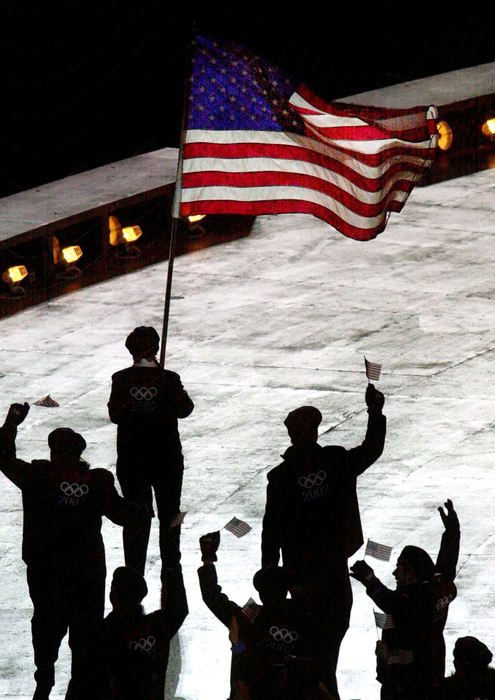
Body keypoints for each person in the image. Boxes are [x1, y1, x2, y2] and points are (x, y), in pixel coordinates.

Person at [0, 402, 149, 700]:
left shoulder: (38, 477)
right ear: (80, 453)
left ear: (54, 452)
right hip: (87, 573)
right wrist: (143, 507)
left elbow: (3, 458)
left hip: (47, 573)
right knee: (86, 634)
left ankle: (44, 676)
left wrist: (12, 423)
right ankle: (81, 684)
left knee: (45, 625)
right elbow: (122, 514)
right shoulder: (98, 482)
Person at [260, 383, 386, 697]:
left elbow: (270, 534)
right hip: (326, 575)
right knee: (322, 654)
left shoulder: (286, 476)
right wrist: (375, 412)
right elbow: (372, 449)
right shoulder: (332, 463)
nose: (302, 436)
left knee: (316, 654)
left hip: (307, 577)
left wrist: (270, 584)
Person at [350, 499, 461, 700]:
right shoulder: (438, 588)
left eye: (399, 567)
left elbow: (393, 603)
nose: (394, 573)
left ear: (411, 573)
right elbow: (447, 563)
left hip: (406, 685)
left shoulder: (414, 603)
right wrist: (452, 531)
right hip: (431, 676)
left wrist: (370, 580)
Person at [107, 325, 194, 581]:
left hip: (132, 460)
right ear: (156, 349)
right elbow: (186, 408)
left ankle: (134, 568)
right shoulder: (169, 379)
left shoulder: (121, 379)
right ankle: (171, 563)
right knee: (172, 513)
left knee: (135, 515)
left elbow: (115, 414)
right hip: (166, 459)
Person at [197, 531, 325, 699]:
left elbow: (213, 598)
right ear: (286, 590)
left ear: (261, 594)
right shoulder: (303, 617)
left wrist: (208, 559)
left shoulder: (251, 615)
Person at [99, 565, 188, 699]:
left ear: (113, 597)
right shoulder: (155, 626)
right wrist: (171, 562)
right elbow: (179, 608)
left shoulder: (102, 634)